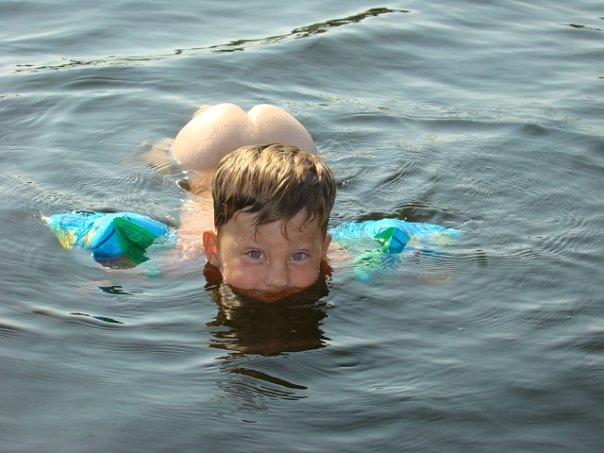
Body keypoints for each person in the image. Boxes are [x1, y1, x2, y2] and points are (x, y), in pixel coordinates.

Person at [199, 143, 336, 303]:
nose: (278, 281)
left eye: (298, 256)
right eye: (254, 254)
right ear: (214, 250)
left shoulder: (337, 266)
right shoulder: (183, 268)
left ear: (322, 251)